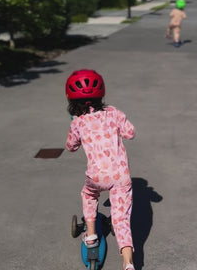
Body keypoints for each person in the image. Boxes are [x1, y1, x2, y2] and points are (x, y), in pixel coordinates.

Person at [65, 69, 135, 270]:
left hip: (96, 176)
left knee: (89, 195)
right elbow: (130, 133)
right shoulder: (113, 112)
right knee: (121, 219)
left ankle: (92, 234)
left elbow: (70, 147)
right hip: (120, 176)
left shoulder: (78, 122)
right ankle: (128, 263)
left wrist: (77, 130)